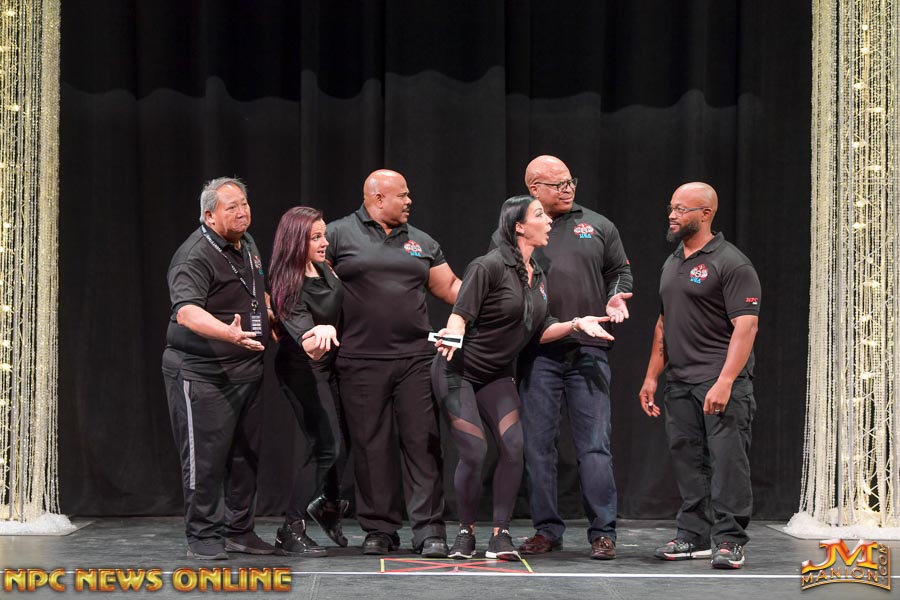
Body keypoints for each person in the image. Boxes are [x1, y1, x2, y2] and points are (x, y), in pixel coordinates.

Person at [433, 196, 615, 561]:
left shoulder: (538, 274)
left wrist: (576, 324)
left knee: (515, 447)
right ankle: (466, 533)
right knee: (475, 451)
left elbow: (541, 329)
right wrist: (453, 333)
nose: (548, 222)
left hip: (497, 375)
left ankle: (500, 535)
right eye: (539, 215)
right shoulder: (487, 265)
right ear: (519, 226)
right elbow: (460, 314)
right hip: (459, 370)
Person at [326, 169, 462, 557]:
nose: (409, 201)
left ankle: (429, 529)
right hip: (360, 360)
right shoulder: (337, 235)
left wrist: (489, 296)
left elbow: (450, 287)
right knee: (371, 447)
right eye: (401, 195)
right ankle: (379, 528)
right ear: (377, 198)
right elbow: (309, 281)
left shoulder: (421, 241)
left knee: (422, 443)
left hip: (415, 358)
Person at [515, 156, 633, 560]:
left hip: (588, 351)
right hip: (538, 353)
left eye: (570, 182)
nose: (567, 190)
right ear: (534, 189)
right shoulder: (521, 229)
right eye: (558, 184)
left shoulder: (598, 225)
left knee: (594, 446)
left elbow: (620, 272)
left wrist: (616, 295)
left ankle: (603, 531)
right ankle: (547, 530)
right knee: (538, 448)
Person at [638, 182, 760, 570]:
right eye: (671, 208)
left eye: (681, 209)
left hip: (719, 380)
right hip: (680, 381)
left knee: (727, 462)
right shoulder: (673, 261)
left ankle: (729, 540)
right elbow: (663, 323)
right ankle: (694, 535)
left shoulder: (732, 262)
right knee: (689, 462)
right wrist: (652, 377)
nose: (672, 215)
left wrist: (725, 381)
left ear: (705, 214)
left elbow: (746, 327)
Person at [162, 177, 277, 560]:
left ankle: (239, 531)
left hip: (247, 369)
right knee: (205, 460)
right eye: (232, 207)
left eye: (244, 203)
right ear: (209, 216)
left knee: (245, 456)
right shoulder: (194, 255)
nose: (243, 212)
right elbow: (187, 312)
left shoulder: (247, 243)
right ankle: (203, 535)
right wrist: (228, 333)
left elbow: (253, 291)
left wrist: (272, 314)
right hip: (203, 373)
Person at [268, 206, 350, 557]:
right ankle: (291, 527)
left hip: (330, 367)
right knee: (325, 446)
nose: (324, 242)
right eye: (315, 237)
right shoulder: (287, 285)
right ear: (295, 241)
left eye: (323, 234)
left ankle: (329, 505)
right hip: (304, 369)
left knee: (340, 442)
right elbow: (310, 348)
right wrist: (322, 330)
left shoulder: (323, 267)